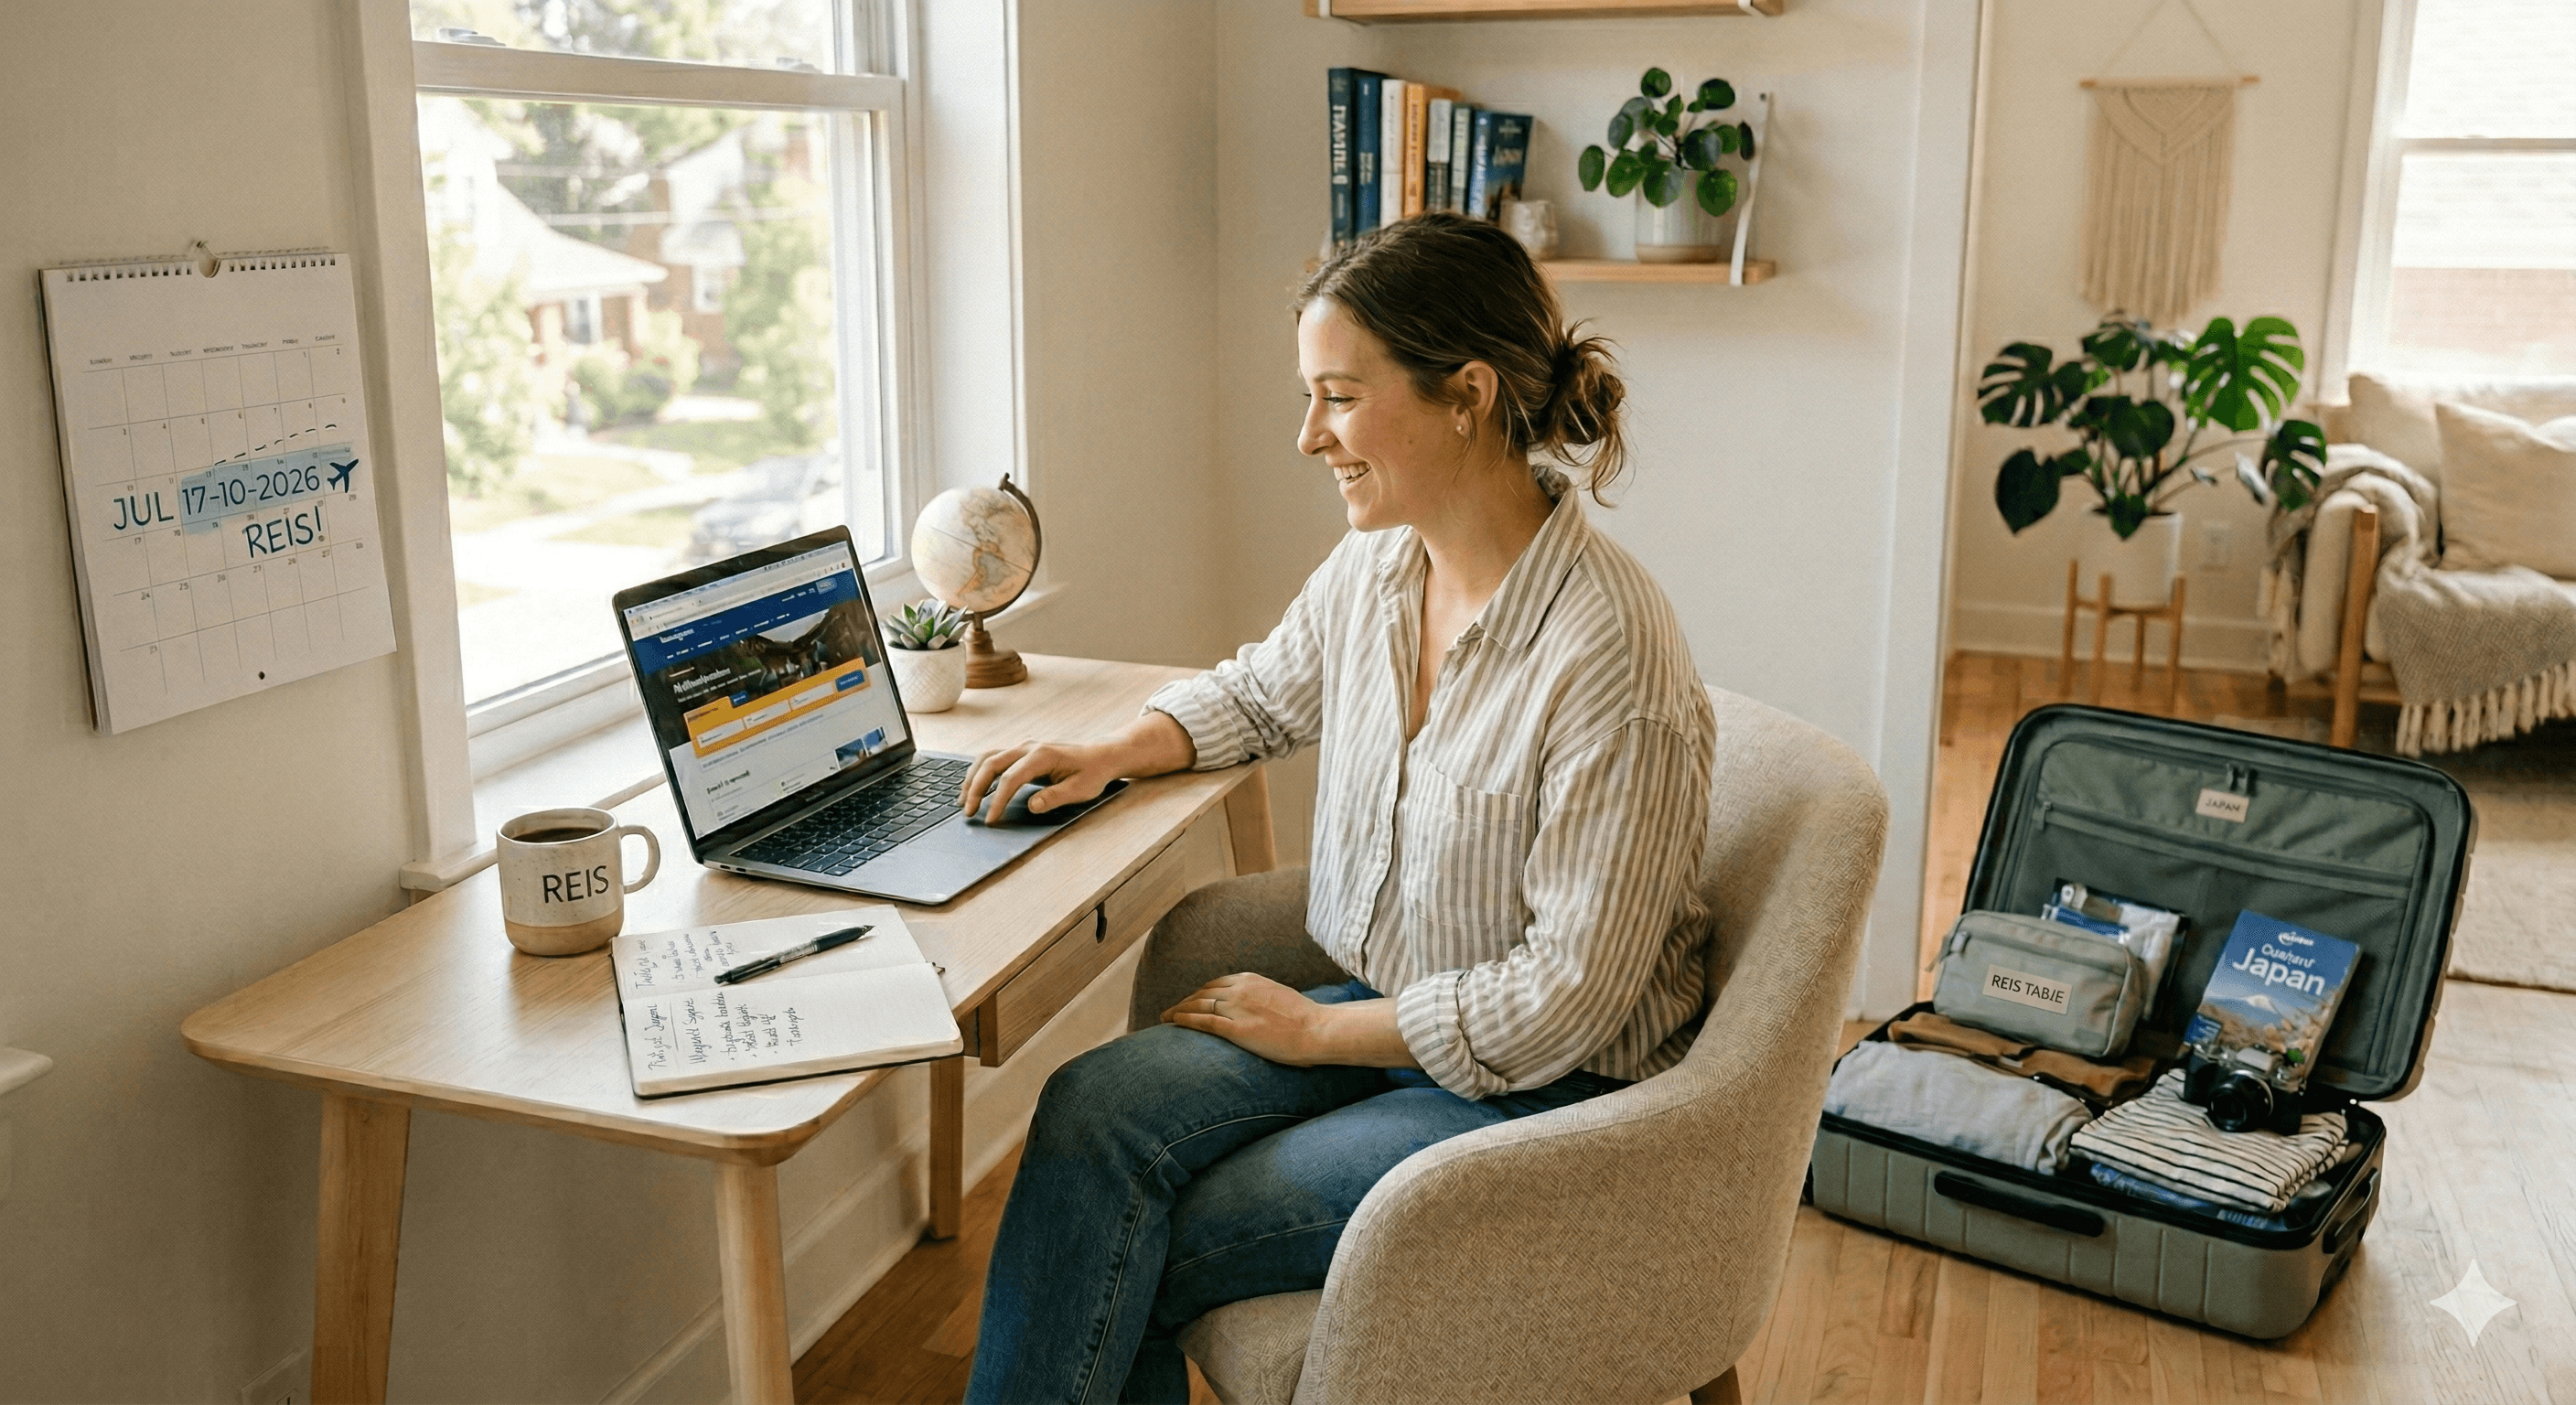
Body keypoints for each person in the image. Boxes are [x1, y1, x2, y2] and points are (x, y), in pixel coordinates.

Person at [955, 211, 1718, 1405]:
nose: (1308, 436)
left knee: (1148, 1234)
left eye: (1341, 398)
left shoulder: (1607, 655)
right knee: (1091, 1110)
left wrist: (1317, 1035)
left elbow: (1566, 1002)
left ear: (1465, 395)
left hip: (1549, 1099)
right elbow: (1263, 693)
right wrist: (1116, 749)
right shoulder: (1381, 565)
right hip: (1386, 1014)